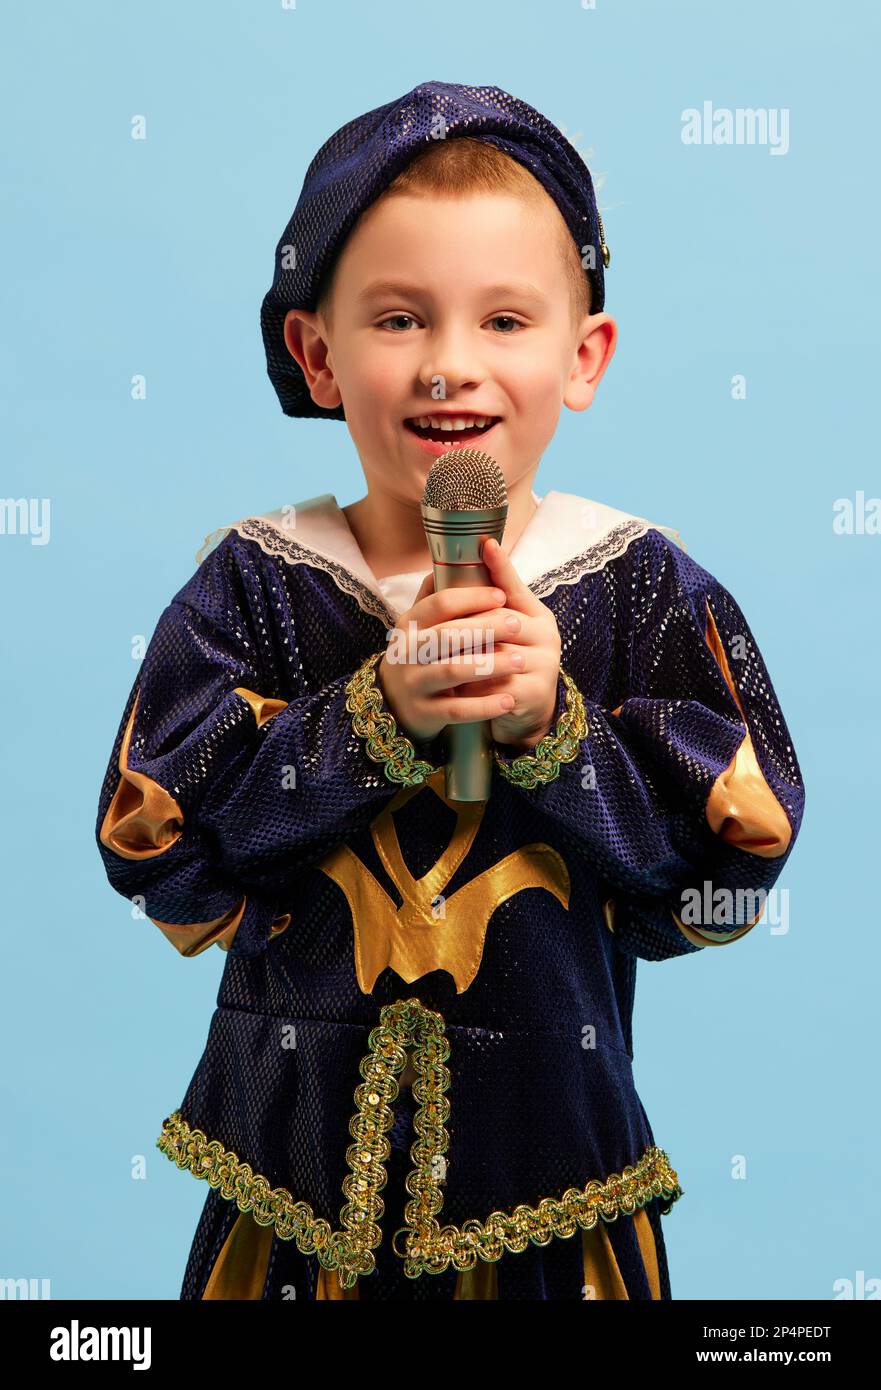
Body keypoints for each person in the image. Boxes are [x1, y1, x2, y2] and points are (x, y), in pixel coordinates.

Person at [95, 81, 805, 1301]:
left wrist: (557, 734)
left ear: (583, 356)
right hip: (292, 1190)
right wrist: (369, 721)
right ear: (314, 352)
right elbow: (160, 847)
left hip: (551, 1192)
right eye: (398, 320)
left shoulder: (635, 588)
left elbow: (725, 874)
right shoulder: (256, 586)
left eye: (505, 321)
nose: (448, 367)